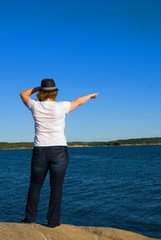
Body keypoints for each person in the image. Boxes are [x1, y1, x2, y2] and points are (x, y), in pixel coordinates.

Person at [20, 78, 99, 228]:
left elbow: (23, 94)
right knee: (56, 188)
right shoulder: (61, 106)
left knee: (35, 185)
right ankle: (53, 222)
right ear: (55, 92)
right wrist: (90, 96)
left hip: (40, 150)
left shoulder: (35, 106)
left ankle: (29, 219)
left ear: (42, 93)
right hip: (59, 151)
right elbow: (78, 101)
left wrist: (40, 88)